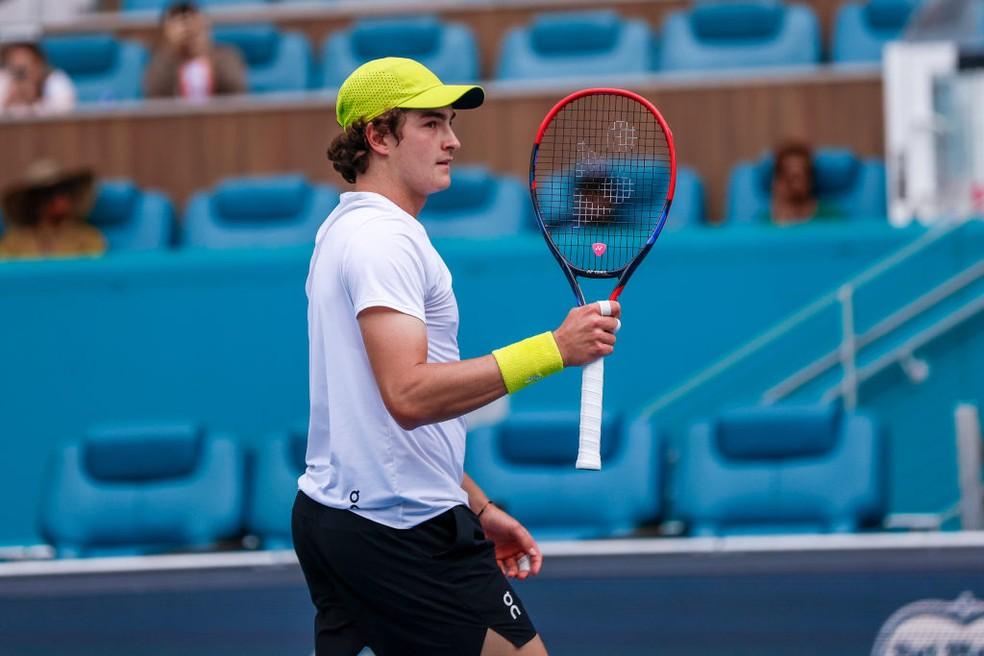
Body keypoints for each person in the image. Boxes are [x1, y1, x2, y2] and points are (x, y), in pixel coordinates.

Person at [292, 57, 621, 656]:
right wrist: (554, 349)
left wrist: (475, 502)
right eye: (432, 124)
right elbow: (409, 396)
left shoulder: (346, 232)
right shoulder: (382, 241)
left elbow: (374, 416)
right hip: (399, 528)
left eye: (449, 123)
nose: (453, 140)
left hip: (339, 512)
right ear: (378, 136)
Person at [0, 159, 106, 259]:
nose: (61, 198)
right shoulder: (14, 242)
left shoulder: (87, 238)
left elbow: (96, 271)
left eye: (64, 189)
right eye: (50, 193)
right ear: (36, 201)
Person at [143, 1, 247, 100]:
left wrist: (203, 50)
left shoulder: (227, 55)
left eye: (193, 16)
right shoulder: (160, 60)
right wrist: (173, 50)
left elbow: (236, 92)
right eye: (177, 20)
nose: (188, 26)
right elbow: (155, 96)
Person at [764, 140, 844, 225]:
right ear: (776, 181)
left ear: (810, 179)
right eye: (786, 174)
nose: (792, 184)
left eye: (797, 176)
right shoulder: (764, 225)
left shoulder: (832, 219)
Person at [0, 40, 76, 115]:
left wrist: (33, 102)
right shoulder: (3, 80)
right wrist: (9, 103)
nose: (22, 76)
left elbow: (63, 117)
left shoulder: (57, 81)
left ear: (38, 63)